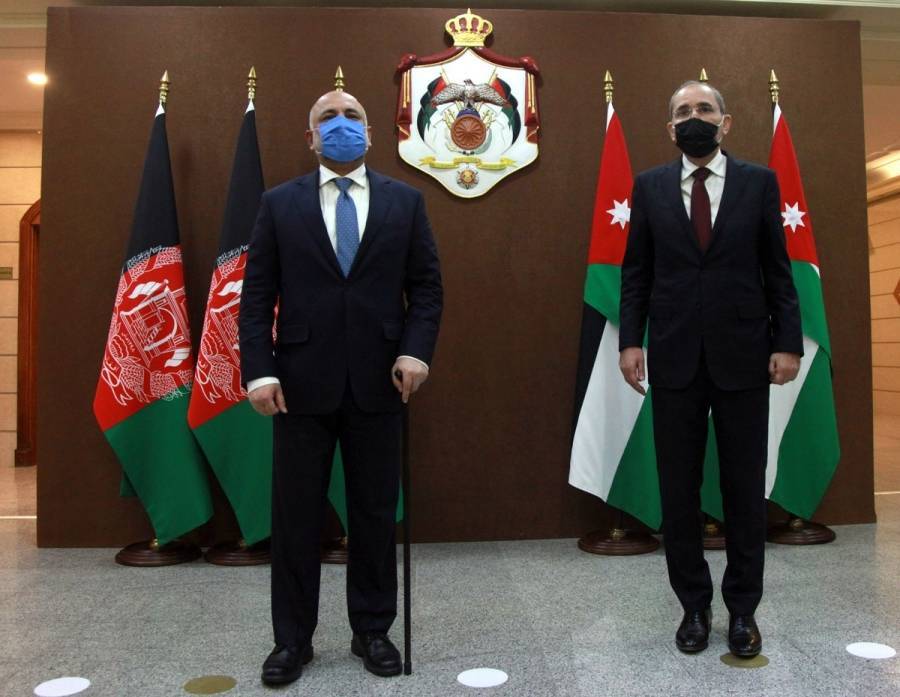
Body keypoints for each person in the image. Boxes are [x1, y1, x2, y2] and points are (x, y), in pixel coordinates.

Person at [239, 88, 442, 685]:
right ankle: (292, 640)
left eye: (352, 116)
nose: (341, 124)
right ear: (310, 138)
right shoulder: (279, 204)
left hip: (382, 382)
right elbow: (256, 298)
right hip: (298, 385)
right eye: (327, 117)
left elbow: (426, 288)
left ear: (371, 133)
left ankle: (373, 630)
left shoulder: (406, 202)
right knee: (296, 519)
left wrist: (415, 351)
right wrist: (260, 370)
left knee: (374, 514)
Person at [618, 81, 802, 658]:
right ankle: (693, 607)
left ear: (725, 122)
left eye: (703, 109)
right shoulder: (649, 186)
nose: (692, 117)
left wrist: (788, 342)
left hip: (744, 355)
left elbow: (777, 268)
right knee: (679, 490)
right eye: (682, 112)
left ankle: (743, 610)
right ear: (670, 128)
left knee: (744, 488)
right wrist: (630, 342)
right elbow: (636, 272)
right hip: (674, 356)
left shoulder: (759, 183)